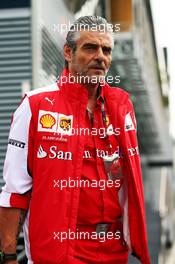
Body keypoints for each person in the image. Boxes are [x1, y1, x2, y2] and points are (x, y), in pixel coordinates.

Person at [0, 16, 150, 264]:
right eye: (90, 48)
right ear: (68, 52)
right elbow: (15, 191)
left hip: (113, 251)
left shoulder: (122, 106)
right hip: (59, 251)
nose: (100, 56)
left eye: (106, 50)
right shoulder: (35, 105)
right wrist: (8, 256)